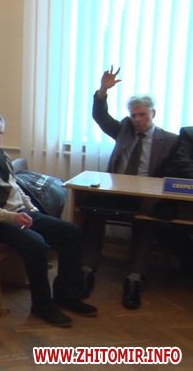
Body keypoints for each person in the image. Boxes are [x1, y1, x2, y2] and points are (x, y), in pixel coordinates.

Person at [0, 111, 97, 327]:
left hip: (20, 214)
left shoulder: (1, 154)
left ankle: (66, 295)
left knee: (72, 233)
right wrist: (13, 217)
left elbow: (15, 187)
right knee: (37, 245)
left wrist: (31, 209)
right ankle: (42, 304)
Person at [83, 66, 179, 309]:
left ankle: (134, 278)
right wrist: (103, 90)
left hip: (147, 196)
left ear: (153, 113)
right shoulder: (124, 129)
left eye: (142, 115)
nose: (137, 120)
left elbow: (175, 172)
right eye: (133, 115)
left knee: (145, 222)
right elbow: (100, 117)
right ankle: (87, 270)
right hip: (116, 191)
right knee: (92, 212)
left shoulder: (170, 140)